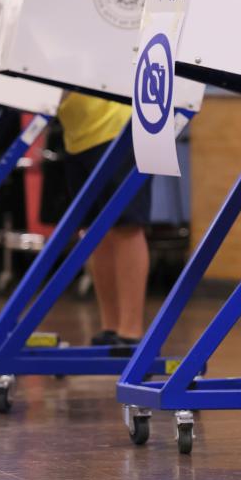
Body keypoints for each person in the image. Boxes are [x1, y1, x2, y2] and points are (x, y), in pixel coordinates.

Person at [57, 90, 151, 346]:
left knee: (126, 226)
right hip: (77, 131)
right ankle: (111, 327)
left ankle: (130, 332)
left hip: (118, 124)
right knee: (93, 231)